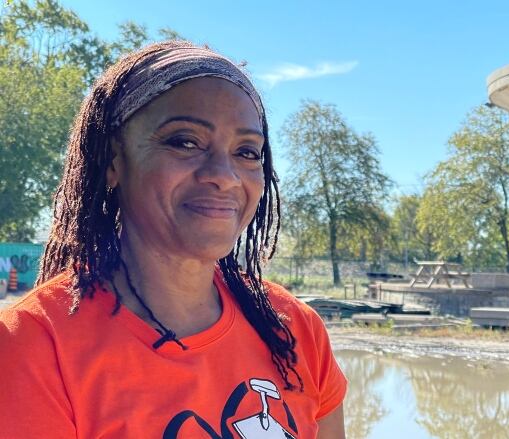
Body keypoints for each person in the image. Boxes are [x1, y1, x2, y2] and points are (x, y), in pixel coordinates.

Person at [0, 41, 347, 438]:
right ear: (114, 160)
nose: (225, 175)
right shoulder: (33, 345)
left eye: (247, 152)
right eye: (185, 141)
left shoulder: (295, 330)